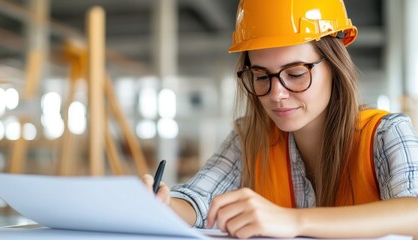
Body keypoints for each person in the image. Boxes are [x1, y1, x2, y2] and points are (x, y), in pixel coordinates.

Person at [142, 0, 418, 238]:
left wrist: (293, 221)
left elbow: (413, 212)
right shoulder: (250, 139)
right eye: (262, 77)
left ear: (335, 68)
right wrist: (164, 206)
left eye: (296, 74)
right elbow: (198, 199)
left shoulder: (385, 133)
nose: (276, 94)